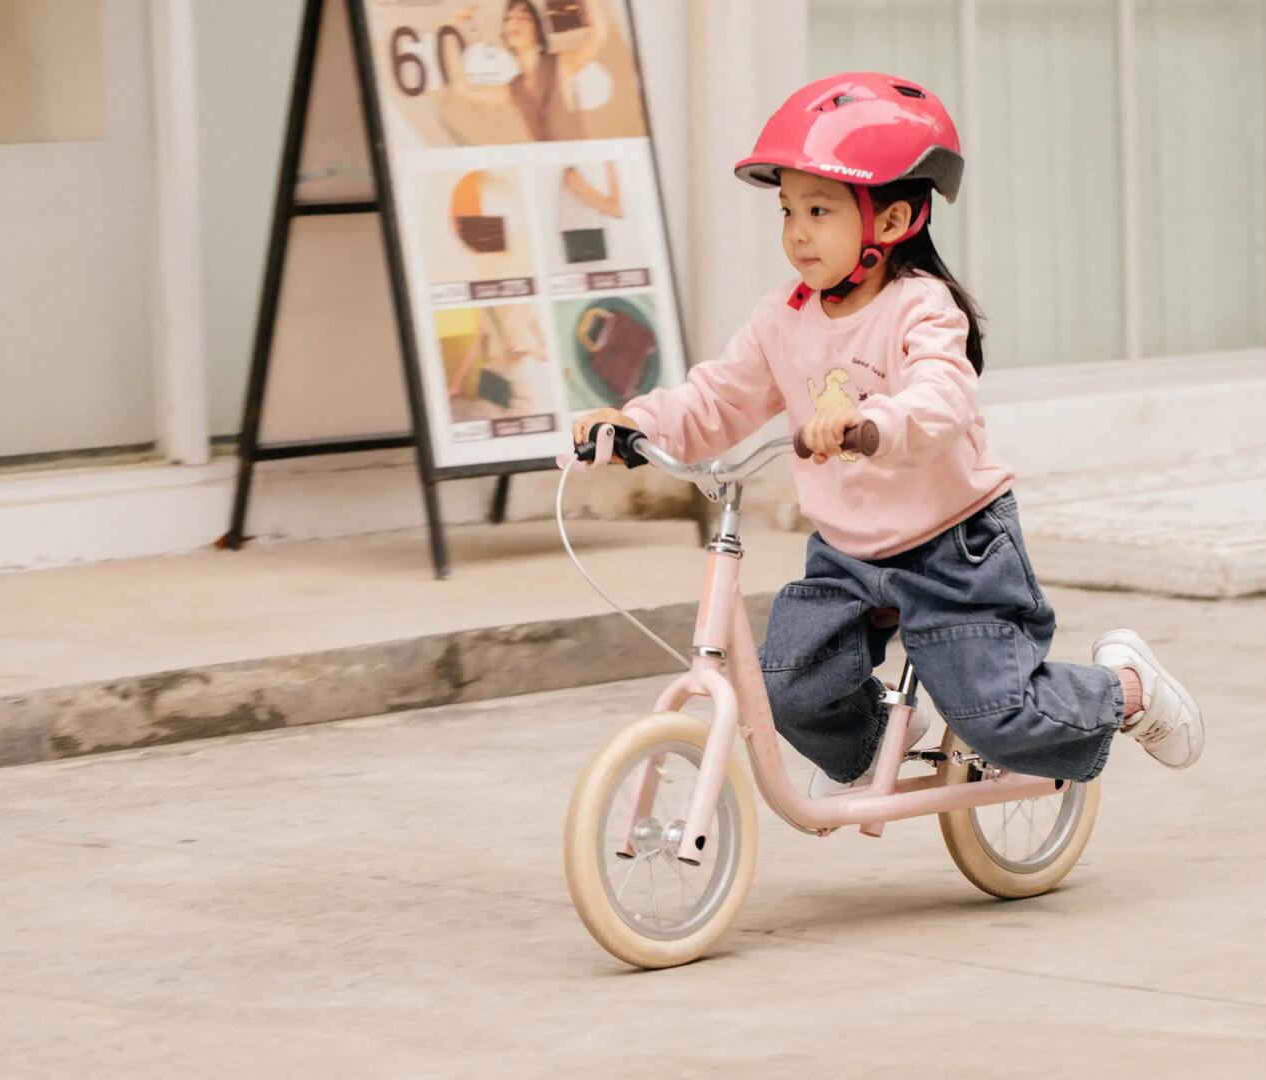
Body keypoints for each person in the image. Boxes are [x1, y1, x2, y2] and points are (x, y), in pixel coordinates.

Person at [573, 73, 1203, 791]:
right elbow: (718, 396)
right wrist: (636, 424)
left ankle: (1126, 690)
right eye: (787, 210)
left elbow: (942, 397)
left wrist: (874, 424)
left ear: (895, 221)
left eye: (819, 209)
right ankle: (881, 745)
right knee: (787, 686)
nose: (797, 232)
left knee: (999, 713)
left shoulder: (923, 308)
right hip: (848, 553)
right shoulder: (783, 317)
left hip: (952, 545)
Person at [438, 0, 626, 143]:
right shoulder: (515, 89)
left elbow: (599, 32)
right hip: (550, 172)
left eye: (522, 17)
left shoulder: (561, 64)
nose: (513, 23)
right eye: (509, 19)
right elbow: (462, 88)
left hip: (581, 164)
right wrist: (450, 27)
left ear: (537, 30)